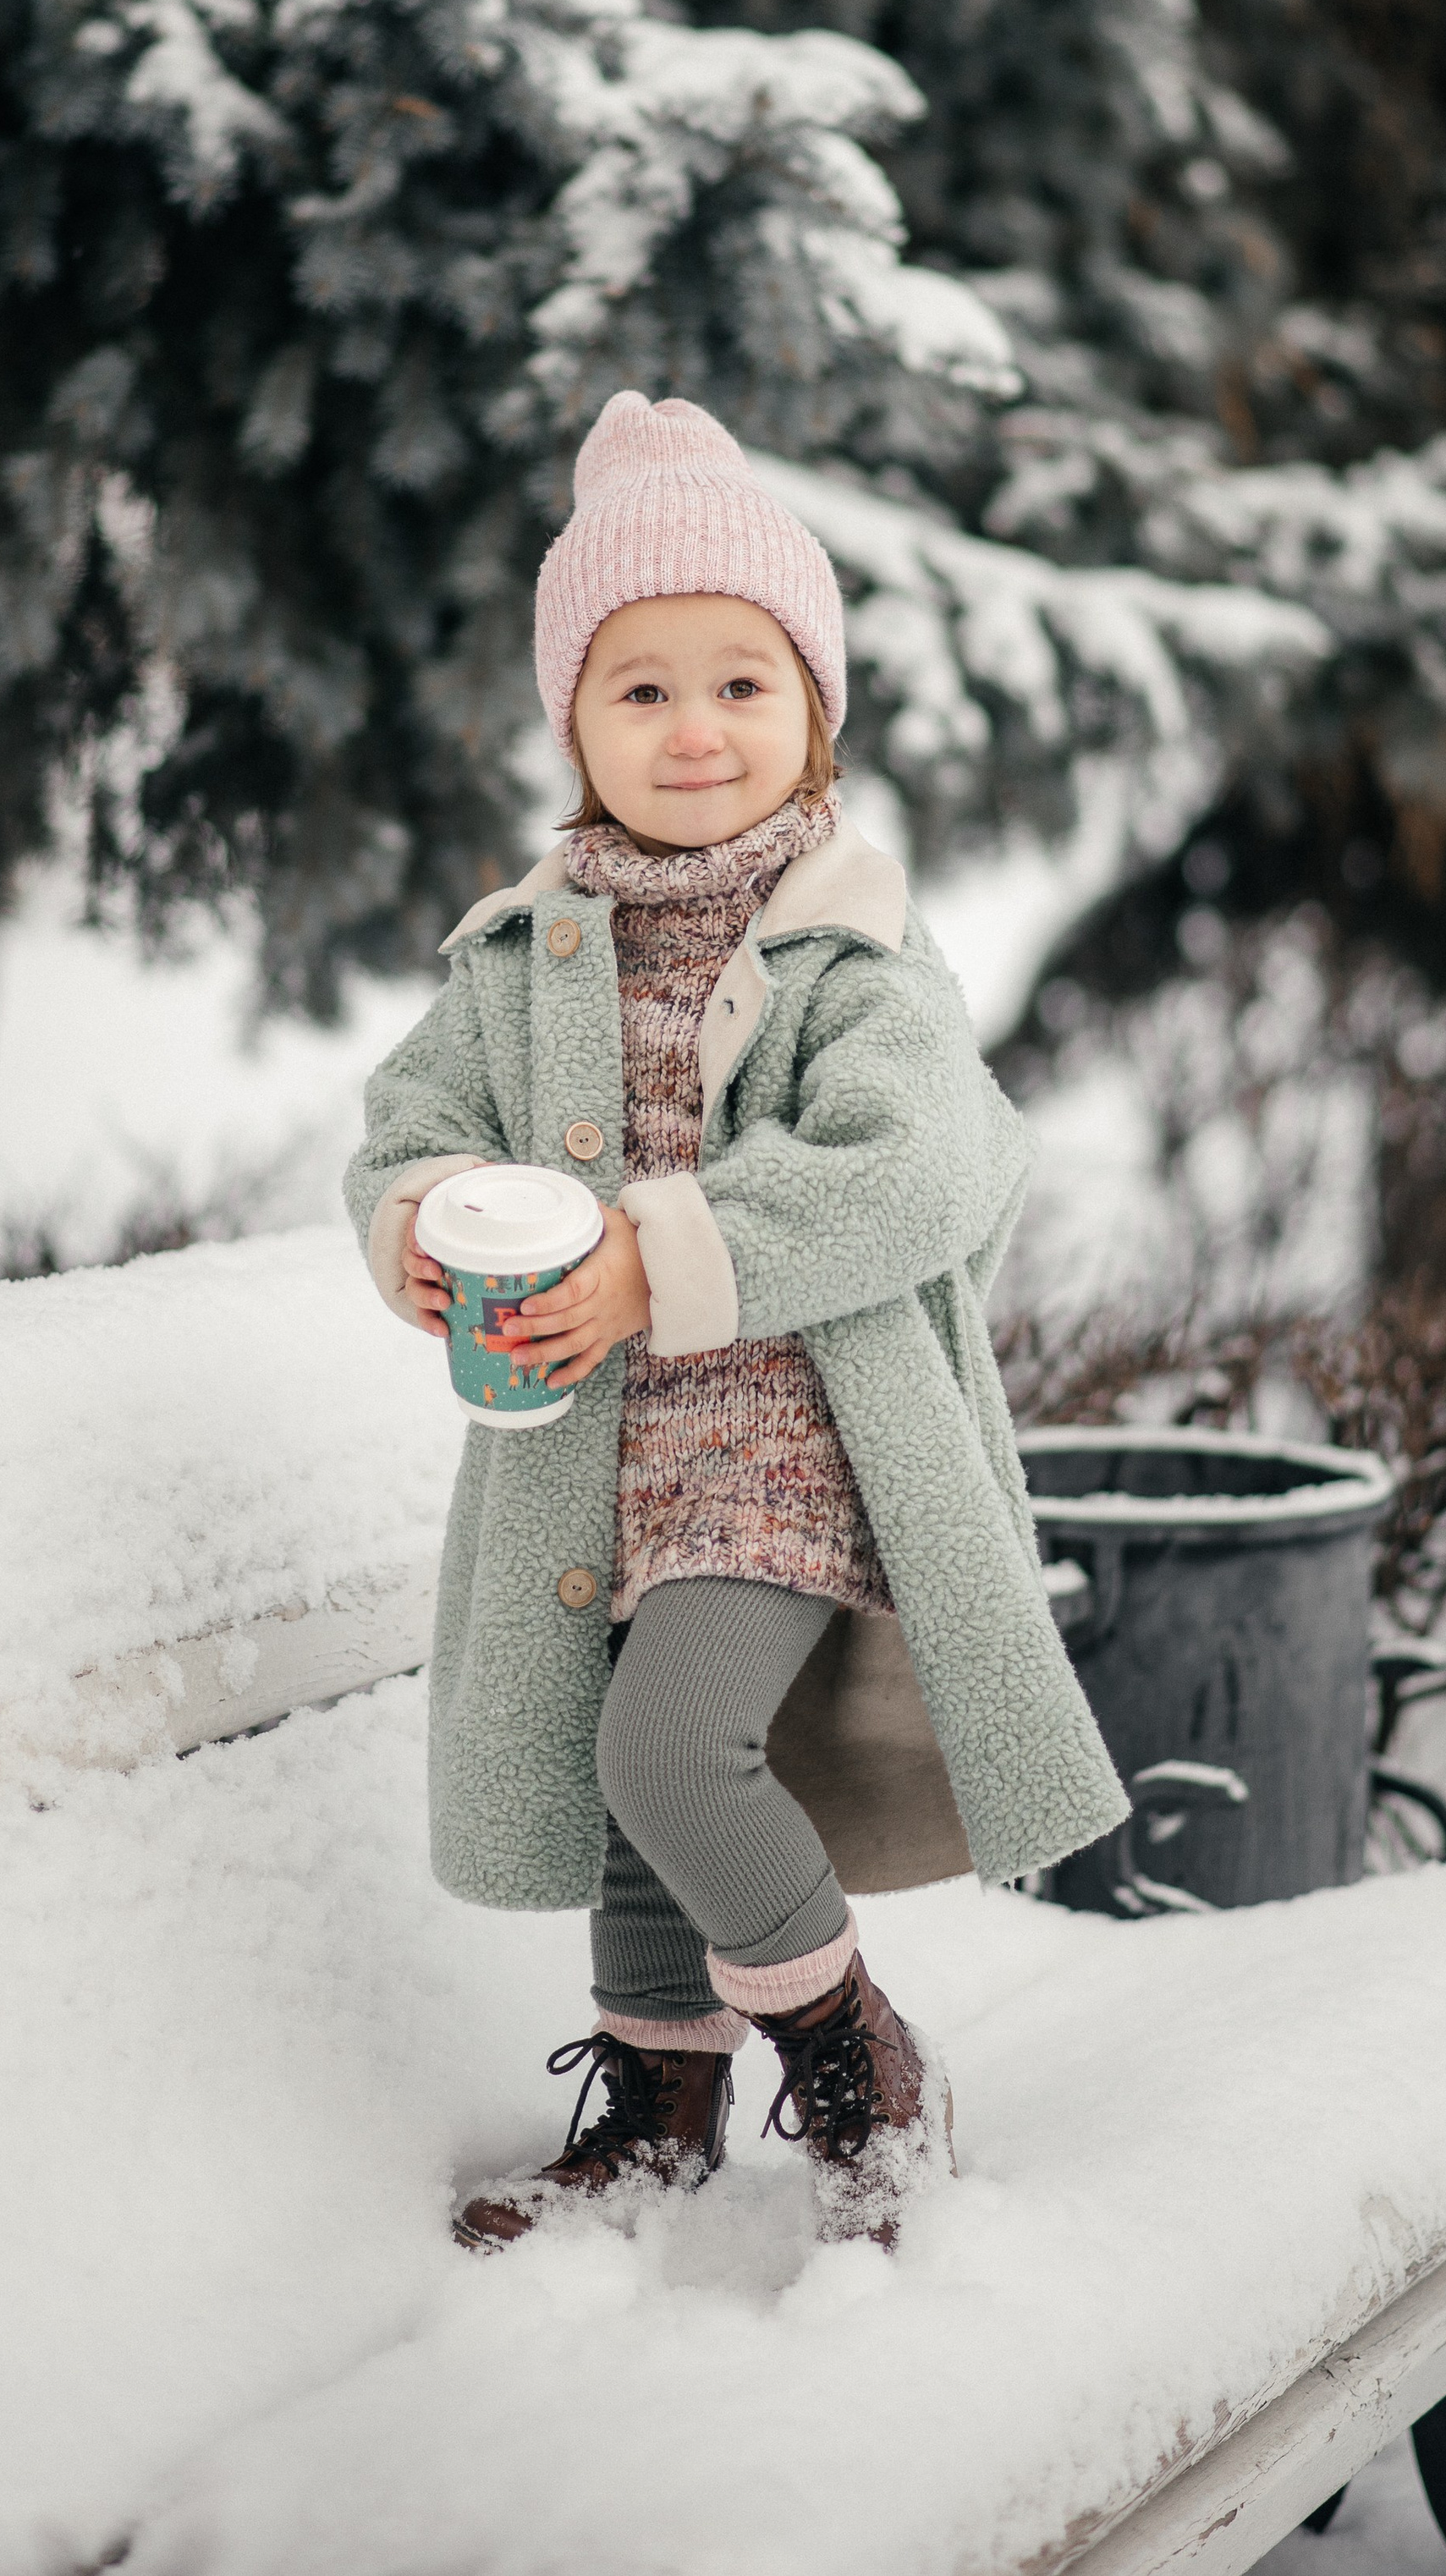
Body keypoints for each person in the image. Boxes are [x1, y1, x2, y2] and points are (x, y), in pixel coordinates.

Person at [345, 390, 1124, 2251]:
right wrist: (417, 1229)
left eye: (741, 685)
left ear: (812, 717)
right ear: (571, 725)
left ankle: (856, 2056)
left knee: (666, 1747)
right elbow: (413, 1121)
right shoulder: (519, 950)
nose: (693, 729)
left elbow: (917, 1164)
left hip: (793, 1440)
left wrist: (654, 1260)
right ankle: (659, 2106)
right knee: (630, 1776)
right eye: (639, 690)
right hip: (597, 1447)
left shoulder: (854, 945)